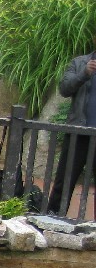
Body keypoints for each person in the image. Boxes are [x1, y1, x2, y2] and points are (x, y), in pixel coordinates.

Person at [45, 35, 96, 217]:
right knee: (64, 181)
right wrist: (84, 74)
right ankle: (52, 220)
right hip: (78, 133)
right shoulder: (80, 62)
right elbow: (64, 89)